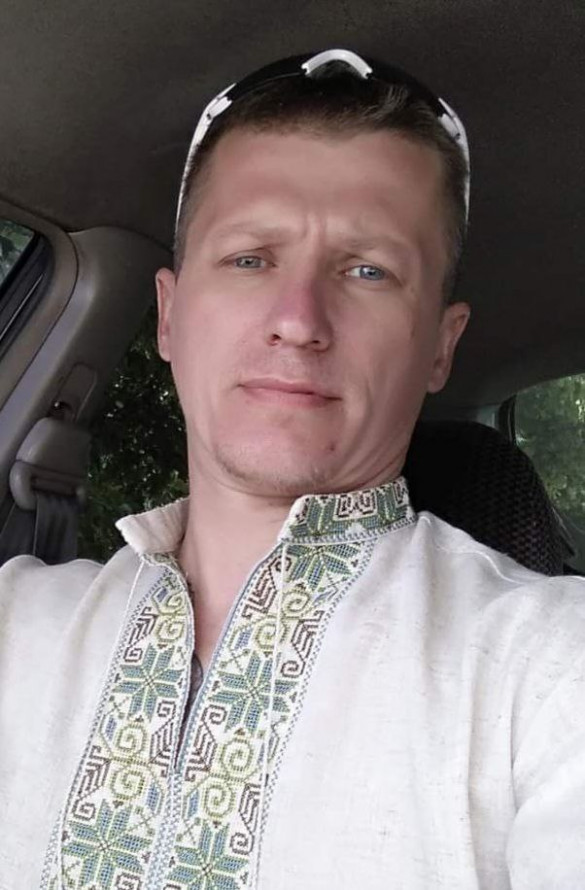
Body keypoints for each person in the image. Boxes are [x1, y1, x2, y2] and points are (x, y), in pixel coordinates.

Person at [1, 48, 584, 890]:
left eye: (367, 270)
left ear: (439, 345)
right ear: (168, 316)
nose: (299, 319)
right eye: (250, 258)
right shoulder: (15, 623)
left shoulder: (550, 671)